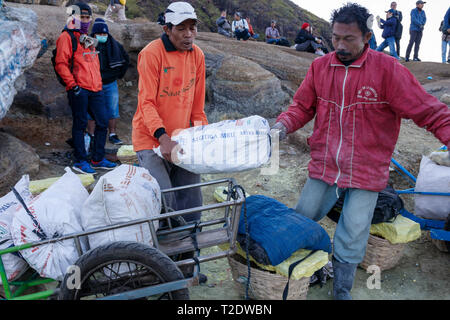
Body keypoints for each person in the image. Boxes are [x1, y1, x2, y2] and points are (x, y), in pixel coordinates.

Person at [270, 3, 450, 300]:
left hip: (367, 169)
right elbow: (301, 107)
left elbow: (429, 111)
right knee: (303, 217)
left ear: (367, 36)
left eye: (348, 39)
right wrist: (281, 126)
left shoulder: (388, 70)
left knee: (353, 231)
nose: (339, 45)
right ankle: (303, 272)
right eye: (335, 38)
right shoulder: (320, 67)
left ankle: (341, 289)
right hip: (325, 165)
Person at [55, 3, 117, 174]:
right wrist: (72, 85)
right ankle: (81, 160)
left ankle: (97, 158)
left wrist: (98, 85)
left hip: (95, 89)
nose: (84, 20)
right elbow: (61, 64)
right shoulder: (66, 38)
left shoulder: (88, 39)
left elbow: (93, 64)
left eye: (87, 17)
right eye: (81, 17)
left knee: (102, 122)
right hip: (79, 88)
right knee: (80, 124)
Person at [86, 18, 130, 146]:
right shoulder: (87, 45)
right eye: (99, 34)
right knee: (91, 110)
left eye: (105, 34)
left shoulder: (114, 45)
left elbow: (125, 60)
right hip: (92, 84)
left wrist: (118, 75)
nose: (103, 36)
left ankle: (112, 134)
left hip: (110, 83)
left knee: (112, 109)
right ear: (94, 34)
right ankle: (91, 134)